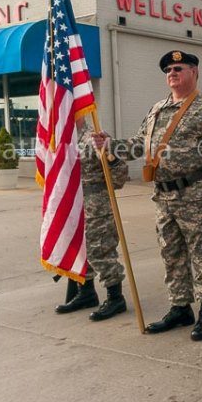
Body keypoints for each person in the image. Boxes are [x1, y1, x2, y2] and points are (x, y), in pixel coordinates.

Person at [92, 50, 202, 341]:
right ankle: (180, 307)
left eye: (178, 68)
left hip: (195, 195)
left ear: (194, 72)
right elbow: (140, 144)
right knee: (171, 254)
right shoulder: (157, 109)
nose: (172, 74)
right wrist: (112, 144)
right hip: (162, 197)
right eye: (168, 70)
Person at [55, 121, 130, 321]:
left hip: (96, 205)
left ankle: (115, 297)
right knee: (78, 250)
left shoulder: (94, 136)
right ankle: (86, 292)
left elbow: (120, 176)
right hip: (72, 206)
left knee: (101, 251)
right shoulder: (61, 137)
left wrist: (108, 154)